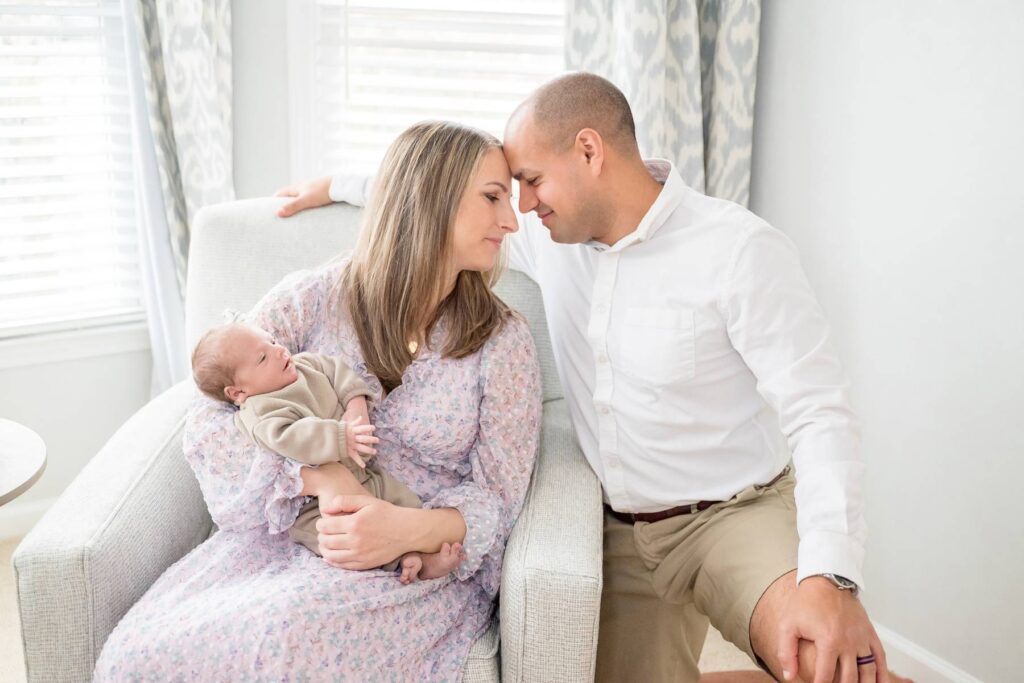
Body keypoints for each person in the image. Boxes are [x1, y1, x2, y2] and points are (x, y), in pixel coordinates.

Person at [278, 73, 912, 683]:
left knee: (827, 657)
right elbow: (430, 201)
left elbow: (819, 410)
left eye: (530, 180)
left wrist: (829, 575)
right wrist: (335, 183)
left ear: (588, 150)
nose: (521, 206)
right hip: (615, 531)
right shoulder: (550, 238)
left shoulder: (739, 250)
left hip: (732, 515)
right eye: (510, 191)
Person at [94, 120, 541, 681]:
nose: (511, 220)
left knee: (288, 641)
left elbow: (500, 500)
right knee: (139, 656)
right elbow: (210, 421)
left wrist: (407, 529)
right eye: (493, 197)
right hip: (296, 536)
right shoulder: (316, 298)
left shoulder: (502, 341)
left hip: (412, 570)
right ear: (432, 198)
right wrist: (321, 479)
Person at [190, 321, 466, 582]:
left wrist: (354, 402)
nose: (278, 351)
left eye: (272, 342)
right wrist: (339, 436)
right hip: (316, 504)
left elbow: (338, 372)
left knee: (402, 501)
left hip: (364, 474)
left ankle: (418, 548)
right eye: (263, 358)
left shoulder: (305, 365)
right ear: (238, 392)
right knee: (341, 536)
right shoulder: (260, 412)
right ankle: (407, 563)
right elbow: (291, 438)